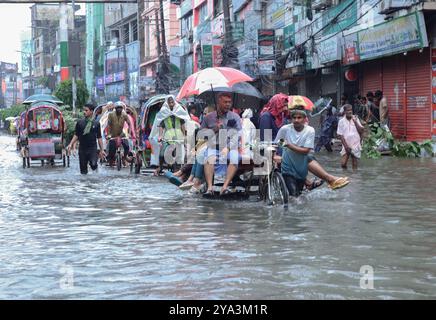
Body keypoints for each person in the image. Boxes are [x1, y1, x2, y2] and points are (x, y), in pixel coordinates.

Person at [201, 92, 242, 196]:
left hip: (230, 147)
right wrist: (215, 129)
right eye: (225, 102)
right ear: (219, 102)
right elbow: (202, 135)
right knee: (209, 158)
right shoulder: (208, 118)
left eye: (229, 102)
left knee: (234, 158)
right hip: (214, 146)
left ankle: (225, 186)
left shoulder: (235, 117)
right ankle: (210, 188)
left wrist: (228, 148)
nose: (228, 104)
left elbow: (237, 135)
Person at [274, 109, 315, 197]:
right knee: (294, 195)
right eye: (294, 118)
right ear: (291, 119)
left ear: (305, 119)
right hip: (287, 167)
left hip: (301, 169)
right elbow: (277, 143)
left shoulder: (310, 131)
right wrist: (275, 155)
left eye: (299, 118)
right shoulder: (285, 129)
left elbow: (306, 151)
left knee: (298, 194)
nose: (296, 120)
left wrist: (288, 145)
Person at [149, 95, 191, 175]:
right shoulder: (164, 112)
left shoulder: (179, 111)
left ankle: (178, 169)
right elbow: (161, 126)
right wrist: (160, 136)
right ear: (167, 103)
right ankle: (160, 167)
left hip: (178, 137)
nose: (171, 104)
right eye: (169, 102)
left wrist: (185, 135)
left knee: (180, 153)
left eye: (172, 102)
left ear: (174, 102)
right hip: (167, 138)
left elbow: (183, 125)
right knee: (162, 153)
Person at [67, 104, 105, 174]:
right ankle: (85, 184)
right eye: (83, 110)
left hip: (92, 148)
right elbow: (76, 135)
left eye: (86, 110)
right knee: (83, 171)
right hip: (82, 149)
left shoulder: (96, 123)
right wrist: (70, 144)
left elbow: (99, 137)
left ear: (91, 112)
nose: (84, 112)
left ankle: (96, 171)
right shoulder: (80, 123)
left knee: (93, 165)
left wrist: (102, 150)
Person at [337, 104, 364, 170]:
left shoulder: (355, 119)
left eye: (351, 110)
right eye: (348, 110)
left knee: (354, 163)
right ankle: (346, 175)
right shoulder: (341, 121)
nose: (350, 112)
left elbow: (361, 131)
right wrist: (346, 147)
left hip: (355, 143)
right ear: (345, 111)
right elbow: (341, 135)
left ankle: (354, 178)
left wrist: (355, 122)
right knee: (343, 164)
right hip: (346, 144)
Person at [107, 101, 131, 167]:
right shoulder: (111, 114)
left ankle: (124, 157)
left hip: (121, 134)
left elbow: (129, 123)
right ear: (115, 108)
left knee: (127, 146)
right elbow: (108, 125)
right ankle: (111, 161)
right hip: (112, 135)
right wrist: (108, 134)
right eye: (118, 108)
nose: (119, 109)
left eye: (120, 108)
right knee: (111, 151)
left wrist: (129, 133)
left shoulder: (124, 115)